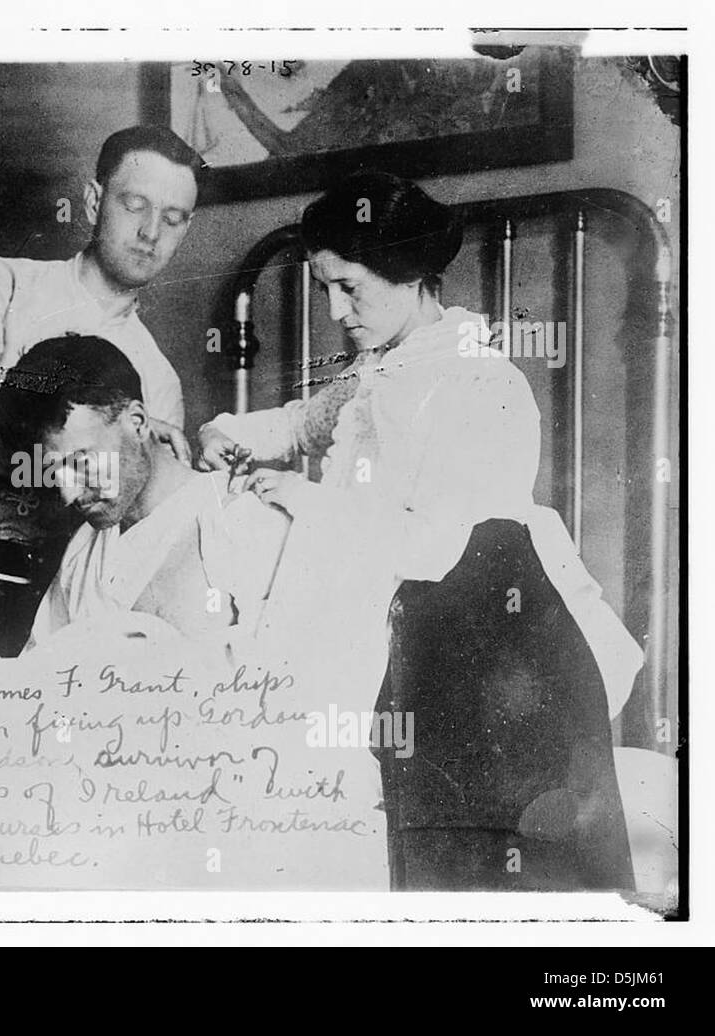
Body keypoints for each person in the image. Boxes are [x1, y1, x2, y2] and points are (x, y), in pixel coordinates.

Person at [197, 170, 641, 889]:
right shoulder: (379, 371)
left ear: (410, 275)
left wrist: (307, 502)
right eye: (325, 289)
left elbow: (436, 546)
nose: (337, 310)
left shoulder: (481, 384)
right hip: (396, 618)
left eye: (352, 287)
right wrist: (229, 432)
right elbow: (305, 421)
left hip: (485, 642)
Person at [0, 126, 203, 657]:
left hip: (16, 587)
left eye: (173, 218)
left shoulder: (158, 382)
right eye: (134, 204)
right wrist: (88, 444)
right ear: (94, 201)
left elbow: (126, 513)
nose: (150, 232)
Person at [0, 335, 289, 653]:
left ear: (137, 423)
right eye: (52, 472)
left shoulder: (241, 521)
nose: (68, 494)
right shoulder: (80, 556)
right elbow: (36, 679)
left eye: (80, 462)